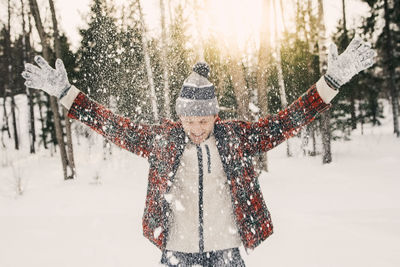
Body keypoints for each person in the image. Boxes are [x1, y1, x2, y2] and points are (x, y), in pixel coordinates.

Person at [22, 36, 375, 267]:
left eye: (204, 120)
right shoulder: (163, 140)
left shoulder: (235, 138)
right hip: (176, 251)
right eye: (190, 121)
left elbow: (287, 121)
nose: (197, 128)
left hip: (226, 251)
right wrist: (66, 93)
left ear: (215, 115)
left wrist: (332, 82)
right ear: (179, 117)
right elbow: (113, 125)